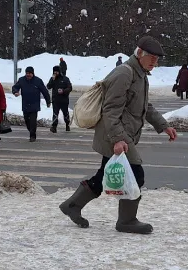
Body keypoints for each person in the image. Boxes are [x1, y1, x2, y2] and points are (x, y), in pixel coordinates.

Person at [59, 35, 178, 234]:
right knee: (136, 174)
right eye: (152, 58)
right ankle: (127, 220)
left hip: (122, 135)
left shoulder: (140, 74)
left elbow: (144, 106)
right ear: (140, 53)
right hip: (116, 135)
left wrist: (163, 125)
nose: (155, 63)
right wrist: (118, 140)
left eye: (158, 60)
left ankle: (72, 205)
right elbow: (110, 110)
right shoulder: (125, 73)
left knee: (103, 175)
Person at [12, 66, 50, 142]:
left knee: (33, 121)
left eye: (29, 73)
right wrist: (15, 92)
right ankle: (31, 131)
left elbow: (45, 92)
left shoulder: (38, 81)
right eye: (27, 73)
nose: (28, 75)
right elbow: (15, 87)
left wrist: (48, 101)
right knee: (27, 121)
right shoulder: (22, 80)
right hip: (25, 104)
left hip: (34, 105)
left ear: (32, 73)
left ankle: (32, 136)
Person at [46, 65, 73, 133]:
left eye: (57, 71)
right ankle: (54, 127)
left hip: (64, 100)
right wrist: (52, 80)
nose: (55, 73)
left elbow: (70, 88)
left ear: (59, 71)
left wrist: (63, 91)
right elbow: (48, 86)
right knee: (55, 114)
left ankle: (67, 124)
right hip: (55, 100)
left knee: (65, 113)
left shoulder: (65, 79)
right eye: (54, 71)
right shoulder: (53, 79)